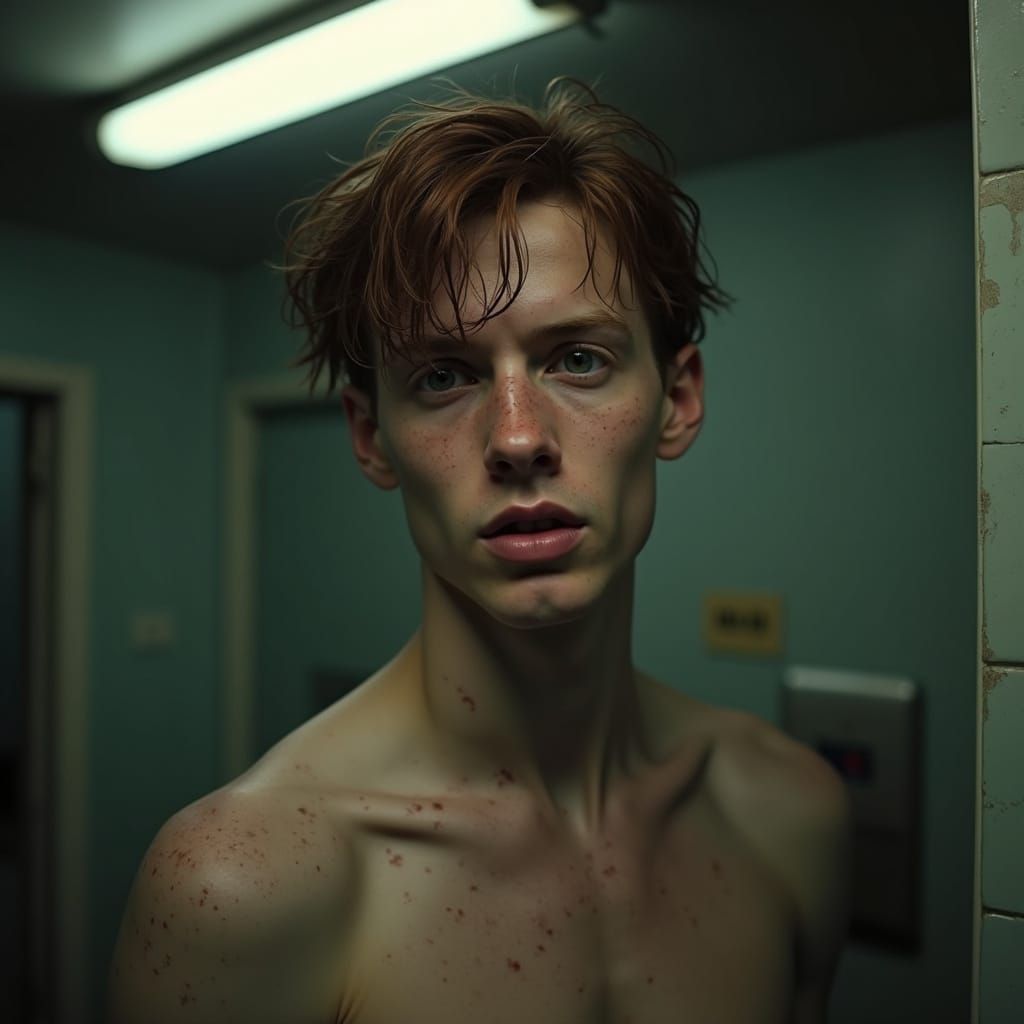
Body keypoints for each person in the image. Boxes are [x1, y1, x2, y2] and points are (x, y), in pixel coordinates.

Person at [107, 77, 853, 1024]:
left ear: (678, 398)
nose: (515, 437)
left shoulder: (789, 815)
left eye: (577, 358)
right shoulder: (242, 885)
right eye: (445, 376)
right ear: (372, 437)